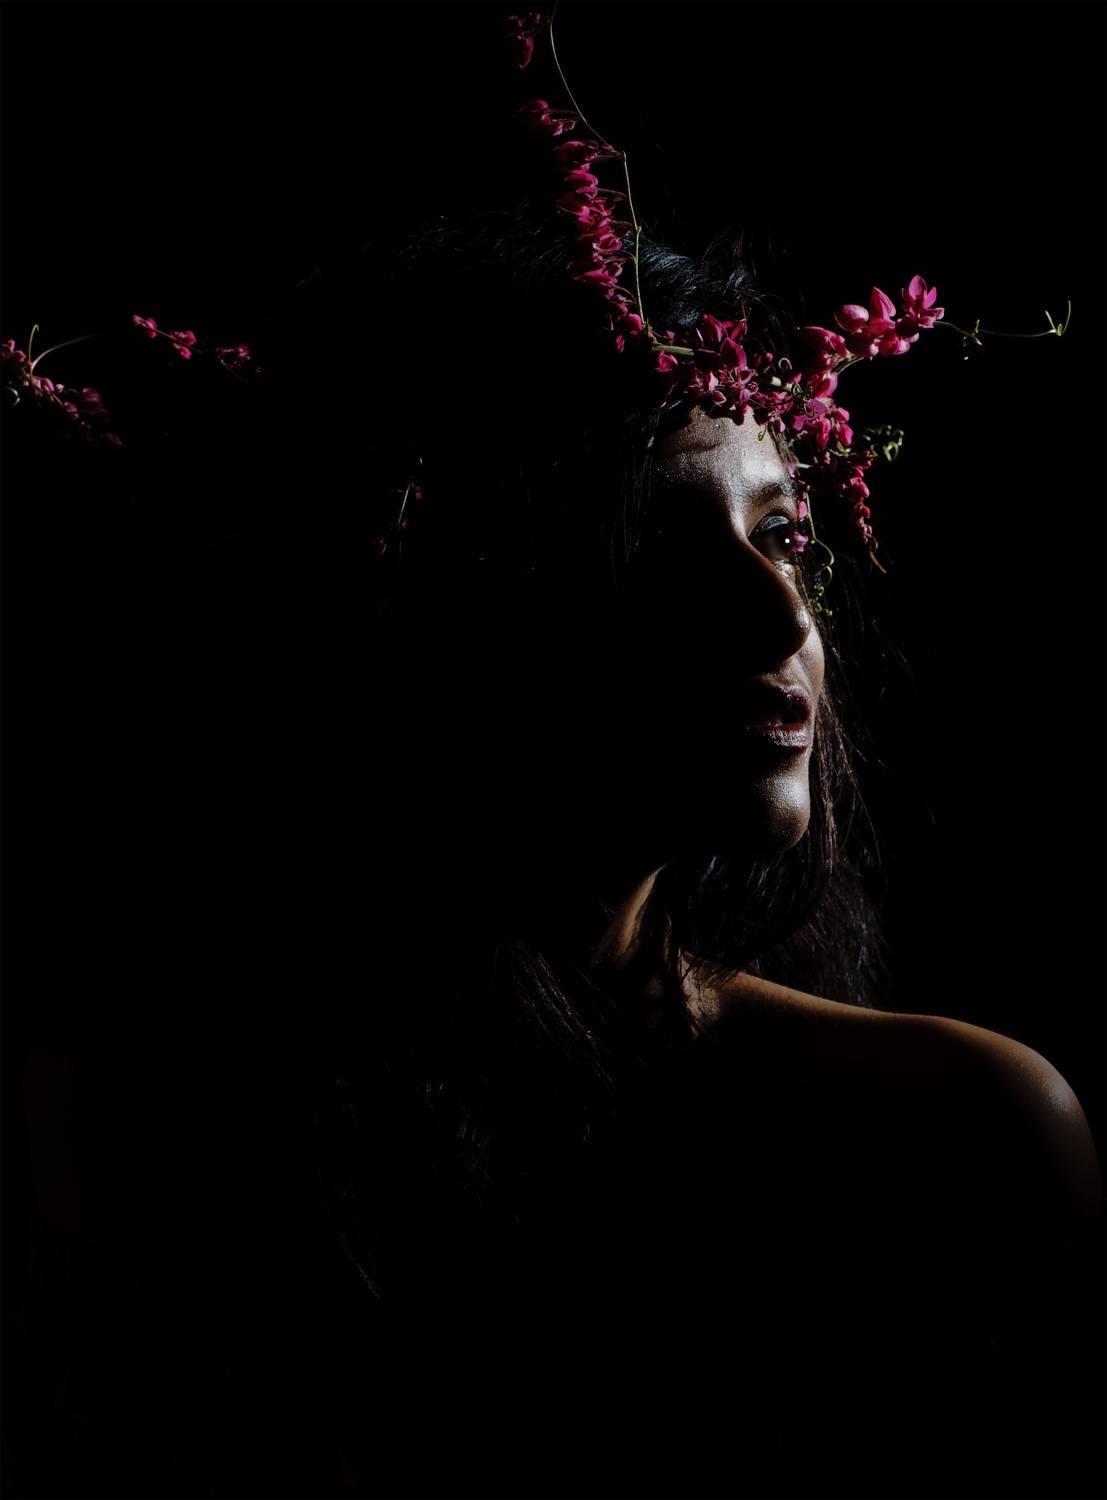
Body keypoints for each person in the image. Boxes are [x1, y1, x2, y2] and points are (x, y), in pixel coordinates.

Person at [209, 208, 1102, 1500]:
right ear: (456, 598)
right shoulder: (207, 1145)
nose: (783, 615)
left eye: (781, 534)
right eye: (659, 541)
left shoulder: (957, 1144)